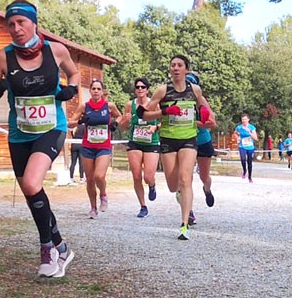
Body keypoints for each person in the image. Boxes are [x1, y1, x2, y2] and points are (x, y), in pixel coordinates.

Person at [0, 0, 77, 278]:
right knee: (30, 191)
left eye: (21, 22)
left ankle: (47, 249)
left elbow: (74, 73)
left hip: (52, 128)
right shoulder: (3, 57)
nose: (16, 28)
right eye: (10, 24)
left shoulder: (56, 51)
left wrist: (70, 91)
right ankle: (62, 246)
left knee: (33, 182)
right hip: (20, 133)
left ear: (34, 23)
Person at [136, 55, 212, 240]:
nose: (176, 68)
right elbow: (143, 114)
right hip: (169, 140)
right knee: (172, 185)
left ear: (186, 70)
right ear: (170, 70)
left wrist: (203, 112)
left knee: (186, 179)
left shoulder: (195, 90)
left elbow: (206, 110)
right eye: (173, 65)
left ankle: (184, 224)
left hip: (189, 139)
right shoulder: (163, 91)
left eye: (180, 65)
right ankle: (179, 194)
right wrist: (164, 112)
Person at [68, 79, 122, 219]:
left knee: (99, 175)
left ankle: (103, 194)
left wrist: (115, 123)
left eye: (99, 89)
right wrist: (80, 121)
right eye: (94, 89)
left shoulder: (109, 106)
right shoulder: (84, 107)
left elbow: (120, 116)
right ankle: (93, 208)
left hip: (103, 146)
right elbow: (70, 123)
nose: (96, 91)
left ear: (102, 91)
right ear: (90, 91)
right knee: (90, 179)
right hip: (88, 146)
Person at [121, 77, 160, 218]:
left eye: (143, 87)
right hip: (135, 142)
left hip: (151, 142)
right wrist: (126, 120)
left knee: (148, 176)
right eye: (137, 87)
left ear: (147, 90)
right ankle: (143, 206)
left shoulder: (154, 104)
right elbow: (123, 126)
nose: (140, 89)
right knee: (136, 175)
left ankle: (152, 184)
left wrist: (155, 127)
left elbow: (165, 122)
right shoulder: (129, 105)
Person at [186, 72, 217, 224]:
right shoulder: (175, 99)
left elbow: (212, 123)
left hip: (202, 140)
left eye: (191, 84)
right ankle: (189, 211)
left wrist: (193, 122)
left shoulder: (201, 101)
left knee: (204, 176)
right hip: (185, 140)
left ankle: (207, 189)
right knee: (186, 177)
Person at [234, 113, 258, 183]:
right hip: (242, 146)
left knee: (249, 162)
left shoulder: (252, 127)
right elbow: (235, 133)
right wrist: (237, 137)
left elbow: (256, 138)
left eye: (245, 119)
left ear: (248, 119)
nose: (244, 121)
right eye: (243, 119)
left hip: (250, 146)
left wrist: (249, 132)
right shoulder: (239, 127)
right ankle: (244, 171)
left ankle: (250, 177)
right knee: (243, 159)